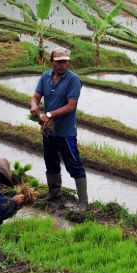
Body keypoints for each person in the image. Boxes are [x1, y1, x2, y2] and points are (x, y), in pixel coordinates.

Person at [30, 48, 89, 211]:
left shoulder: (73, 80)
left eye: (65, 61)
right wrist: (34, 106)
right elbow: (35, 97)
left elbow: (71, 106)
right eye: (59, 61)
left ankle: (83, 202)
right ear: (52, 62)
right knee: (50, 161)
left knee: (73, 163)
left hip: (65, 131)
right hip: (49, 130)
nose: (63, 65)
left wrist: (48, 114)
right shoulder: (45, 76)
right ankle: (54, 192)